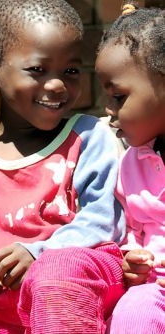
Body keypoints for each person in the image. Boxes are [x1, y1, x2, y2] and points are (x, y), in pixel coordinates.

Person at [0, 0, 126, 333]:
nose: (58, 85)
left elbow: (104, 219)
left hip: (76, 283)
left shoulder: (88, 137)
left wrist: (40, 252)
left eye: (70, 71)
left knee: (55, 273)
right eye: (38, 70)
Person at [95, 2, 165, 333]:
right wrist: (133, 260)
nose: (109, 109)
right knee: (131, 314)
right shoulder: (130, 164)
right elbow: (135, 233)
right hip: (155, 293)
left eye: (119, 97)